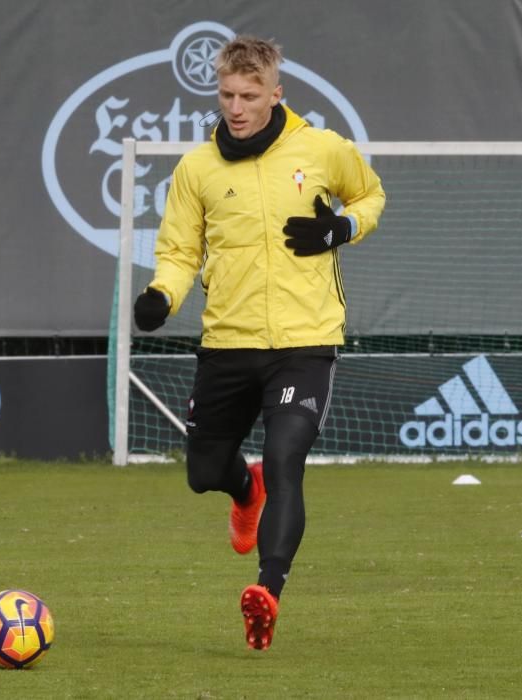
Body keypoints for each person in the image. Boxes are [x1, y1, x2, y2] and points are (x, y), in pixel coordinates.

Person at [132, 35, 385, 651]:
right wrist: (162, 295)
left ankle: (267, 591)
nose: (237, 106)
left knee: (286, 457)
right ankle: (244, 492)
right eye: (227, 95)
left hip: (305, 340)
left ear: (277, 93)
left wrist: (340, 228)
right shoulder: (195, 170)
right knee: (203, 473)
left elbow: (371, 195)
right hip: (228, 343)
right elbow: (178, 253)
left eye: (250, 95)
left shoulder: (324, 150)